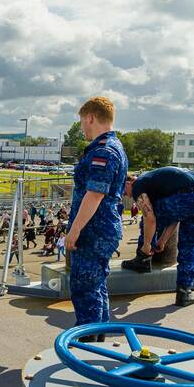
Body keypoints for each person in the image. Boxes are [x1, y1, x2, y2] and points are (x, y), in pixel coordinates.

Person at [64, 97, 128, 330]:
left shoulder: (104, 152)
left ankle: (87, 344)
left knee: (84, 288)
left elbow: (95, 195)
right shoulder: (112, 146)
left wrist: (74, 230)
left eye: (82, 121)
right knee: (96, 285)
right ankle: (98, 336)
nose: (81, 127)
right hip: (101, 228)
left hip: (94, 230)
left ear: (90, 118)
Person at [121, 167, 194, 307]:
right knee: (189, 245)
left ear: (128, 183)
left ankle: (142, 258)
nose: (128, 197)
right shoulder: (158, 182)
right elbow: (177, 215)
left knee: (148, 213)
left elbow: (150, 218)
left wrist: (147, 244)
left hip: (189, 196)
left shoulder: (139, 184)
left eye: (125, 192)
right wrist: (163, 240)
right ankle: (184, 292)